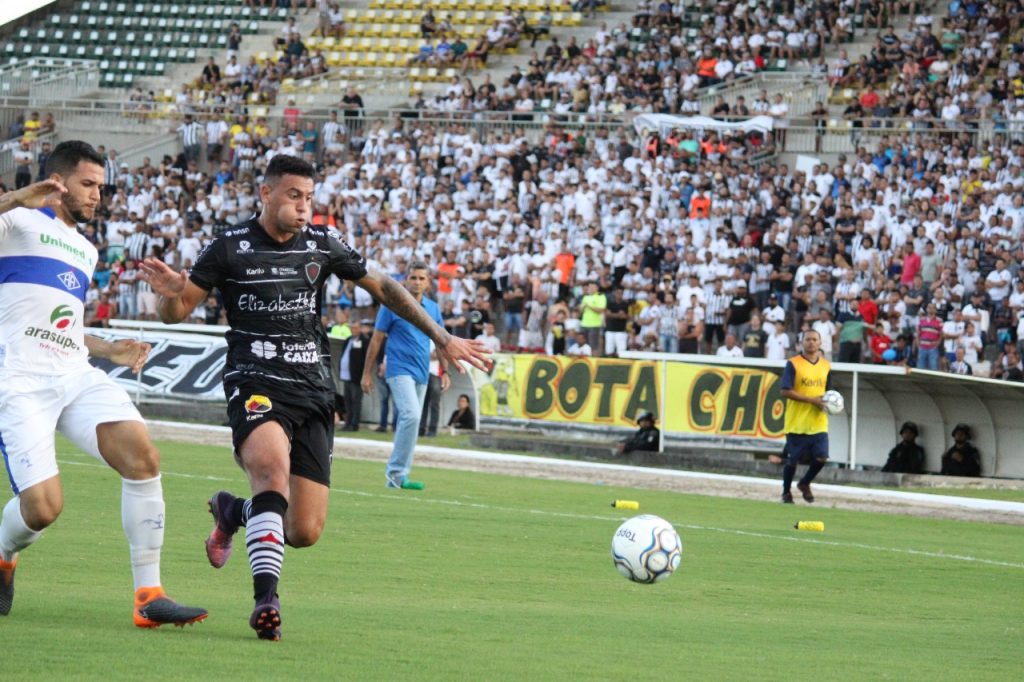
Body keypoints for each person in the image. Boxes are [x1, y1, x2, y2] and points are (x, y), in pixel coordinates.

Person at [138, 155, 489, 641]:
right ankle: (266, 602)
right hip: (254, 379)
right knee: (270, 472)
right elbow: (176, 311)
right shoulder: (227, 247)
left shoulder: (323, 243)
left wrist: (444, 338)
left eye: (309, 198)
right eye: (293, 196)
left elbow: (384, 287)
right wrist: (168, 294)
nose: (304, 208)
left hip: (312, 389)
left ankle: (233, 511)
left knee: (302, 530)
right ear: (266, 194)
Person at [0, 141, 207, 627]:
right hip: (19, 381)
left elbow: (60, 320)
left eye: (101, 186)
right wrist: (17, 198)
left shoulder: (86, 249)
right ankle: (5, 554)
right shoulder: (16, 222)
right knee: (44, 509)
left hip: (73, 373)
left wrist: (109, 349)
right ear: (58, 182)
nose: (98, 196)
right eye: (88, 185)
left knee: (142, 455)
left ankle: (148, 596)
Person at [360, 261, 455, 490]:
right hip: (398, 369)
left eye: (422, 278)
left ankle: (401, 476)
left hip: (422, 371)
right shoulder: (390, 305)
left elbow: (441, 340)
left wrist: (444, 370)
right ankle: (395, 474)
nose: (417, 282)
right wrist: (367, 373)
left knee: (412, 420)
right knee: (411, 415)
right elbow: (376, 339)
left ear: (428, 283)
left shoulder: (432, 309)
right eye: (414, 277)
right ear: (405, 280)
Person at [779, 330, 832, 503]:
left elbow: (828, 393)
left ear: (820, 343)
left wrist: (830, 404)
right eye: (807, 339)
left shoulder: (826, 366)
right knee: (792, 461)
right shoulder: (793, 364)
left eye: (814, 339)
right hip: (797, 421)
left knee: (822, 456)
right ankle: (786, 493)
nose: (811, 342)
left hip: (818, 421)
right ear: (802, 342)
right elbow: (785, 391)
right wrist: (812, 400)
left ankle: (804, 483)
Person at [338, 318, 371, 431]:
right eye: (352, 328)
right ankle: (348, 423)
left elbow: (367, 358)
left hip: (356, 377)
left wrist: (365, 374)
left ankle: (354, 424)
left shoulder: (364, 340)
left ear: (360, 329)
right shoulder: (348, 340)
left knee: (356, 401)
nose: (354, 330)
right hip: (346, 376)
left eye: (356, 328)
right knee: (347, 401)